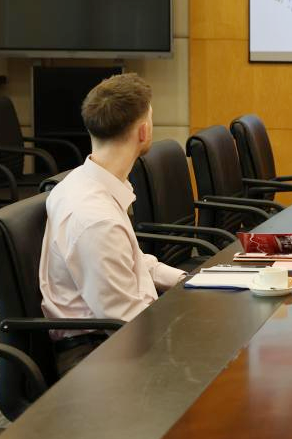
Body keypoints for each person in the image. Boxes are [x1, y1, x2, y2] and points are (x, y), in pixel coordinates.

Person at [39, 73, 185, 375]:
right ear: (144, 131)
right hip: (98, 355)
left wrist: (190, 280)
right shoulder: (96, 219)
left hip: (115, 336)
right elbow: (126, 323)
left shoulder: (90, 182)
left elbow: (131, 263)